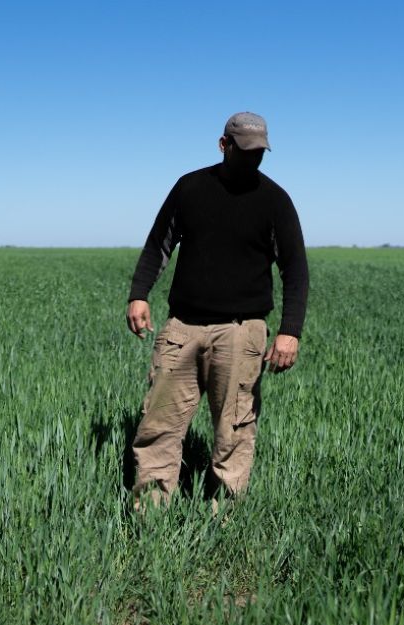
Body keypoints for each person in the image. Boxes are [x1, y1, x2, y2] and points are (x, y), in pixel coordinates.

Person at [125, 111, 309, 510]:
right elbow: (159, 243)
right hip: (182, 328)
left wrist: (289, 330)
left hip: (241, 332)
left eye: (259, 153)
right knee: (159, 425)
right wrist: (139, 294)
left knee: (234, 430)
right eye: (244, 151)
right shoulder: (190, 188)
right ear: (223, 145)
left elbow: (295, 270)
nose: (252, 160)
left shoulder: (274, 200)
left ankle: (224, 519)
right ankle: (150, 520)